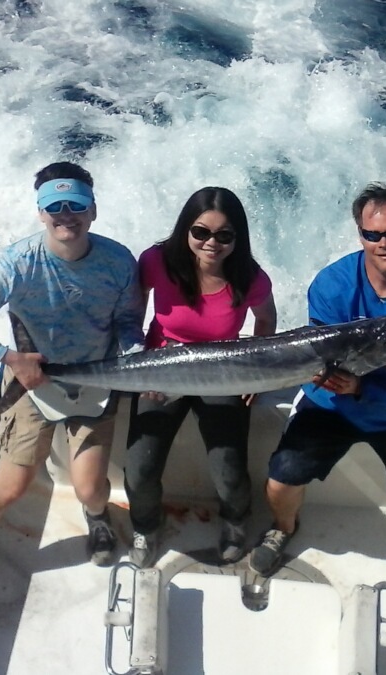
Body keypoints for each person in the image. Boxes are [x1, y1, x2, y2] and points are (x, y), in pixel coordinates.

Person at [0, 161, 145, 627]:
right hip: (32, 386)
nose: (66, 215)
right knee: (11, 487)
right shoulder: (16, 263)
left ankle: (98, 517)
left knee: (90, 488)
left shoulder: (118, 260)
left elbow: (128, 323)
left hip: (94, 381)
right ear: (40, 213)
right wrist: (9, 359)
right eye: (55, 207)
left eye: (76, 206)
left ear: (93, 209)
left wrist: (137, 357)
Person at [249, 182, 386, 615]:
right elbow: (322, 359)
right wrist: (345, 385)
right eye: (373, 235)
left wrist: (368, 387)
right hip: (333, 404)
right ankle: (283, 528)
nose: (384, 243)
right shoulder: (332, 283)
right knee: (280, 477)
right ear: (360, 235)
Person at [124, 186, 277, 567]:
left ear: (237, 238)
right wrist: (142, 363)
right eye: (201, 233)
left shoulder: (251, 277)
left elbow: (266, 320)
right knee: (140, 468)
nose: (212, 243)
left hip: (223, 373)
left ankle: (236, 522)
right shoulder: (156, 260)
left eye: (224, 235)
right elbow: (132, 316)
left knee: (229, 470)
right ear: (185, 231)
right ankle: (146, 524)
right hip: (162, 370)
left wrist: (256, 376)